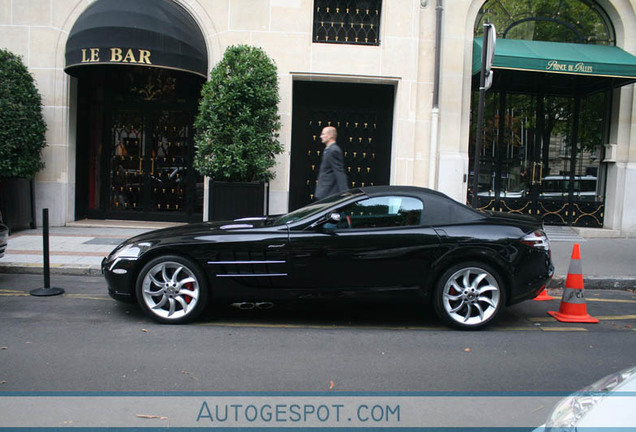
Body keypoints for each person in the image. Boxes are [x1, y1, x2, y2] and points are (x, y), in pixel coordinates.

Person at [314, 126, 348, 200]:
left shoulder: (334, 150)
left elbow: (339, 171)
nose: (320, 136)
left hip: (328, 192)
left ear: (330, 135)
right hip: (324, 191)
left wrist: (345, 191)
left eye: (323, 134)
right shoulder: (329, 149)